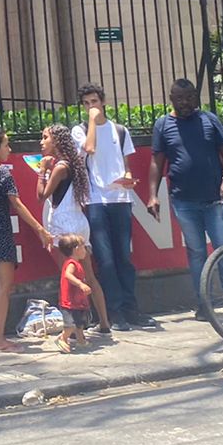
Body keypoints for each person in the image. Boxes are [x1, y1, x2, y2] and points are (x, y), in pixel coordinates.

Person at [75, 84, 159, 329]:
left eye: (94, 102)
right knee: (106, 259)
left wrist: (128, 177)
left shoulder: (119, 130)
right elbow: (88, 149)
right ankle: (114, 311)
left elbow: (126, 163)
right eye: (87, 103)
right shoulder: (80, 131)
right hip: (96, 200)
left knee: (124, 256)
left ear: (103, 102)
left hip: (120, 198)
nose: (91, 107)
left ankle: (131, 309)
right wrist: (92, 122)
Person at [150, 79, 223, 318]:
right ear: (171, 99)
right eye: (179, 98)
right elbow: (157, 162)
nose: (184, 103)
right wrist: (152, 195)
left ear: (196, 98)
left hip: (214, 200)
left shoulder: (209, 120)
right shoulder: (162, 125)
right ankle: (205, 304)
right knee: (197, 253)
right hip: (183, 201)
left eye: (189, 98)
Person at [0, 126, 53, 351]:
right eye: (6, 144)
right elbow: (17, 204)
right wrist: (40, 229)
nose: (9, 149)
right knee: (4, 287)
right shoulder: (3, 174)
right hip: (1, 232)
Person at [36, 124, 109, 338]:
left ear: (56, 141)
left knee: (68, 277)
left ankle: (75, 328)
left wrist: (42, 171)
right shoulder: (72, 164)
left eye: (45, 137)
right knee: (88, 276)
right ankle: (103, 322)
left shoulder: (59, 167)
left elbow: (42, 195)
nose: (42, 142)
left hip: (64, 225)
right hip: (79, 223)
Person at [55, 236, 92, 353]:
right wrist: (80, 284)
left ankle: (81, 340)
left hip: (78, 301)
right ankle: (62, 338)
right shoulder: (71, 264)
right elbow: (68, 275)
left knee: (79, 324)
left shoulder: (77, 263)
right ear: (76, 249)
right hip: (69, 302)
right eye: (83, 247)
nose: (85, 250)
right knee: (70, 325)